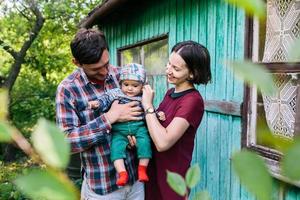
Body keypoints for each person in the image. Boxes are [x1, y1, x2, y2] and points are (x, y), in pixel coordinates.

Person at [55, 28, 144, 200]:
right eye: (96, 69)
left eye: (106, 64)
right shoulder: (68, 90)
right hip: (102, 187)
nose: (105, 72)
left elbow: (143, 107)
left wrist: (137, 134)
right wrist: (109, 118)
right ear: (77, 62)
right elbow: (65, 142)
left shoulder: (123, 75)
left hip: (135, 181)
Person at [141, 41, 211, 200]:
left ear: (192, 73)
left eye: (176, 68)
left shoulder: (192, 101)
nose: (168, 71)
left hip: (172, 178)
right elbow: (156, 126)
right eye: (168, 64)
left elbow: (163, 142)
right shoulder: (170, 93)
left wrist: (148, 106)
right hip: (154, 170)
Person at [88, 63, 152, 187]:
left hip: (139, 127)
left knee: (145, 143)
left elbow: (149, 110)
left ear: (142, 86)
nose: (129, 88)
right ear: (121, 83)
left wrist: (158, 114)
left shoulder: (143, 97)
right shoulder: (116, 93)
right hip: (119, 131)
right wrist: (97, 103)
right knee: (116, 149)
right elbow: (105, 98)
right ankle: (122, 173)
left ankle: (142, 169)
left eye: (135, 86)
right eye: (126, 84)